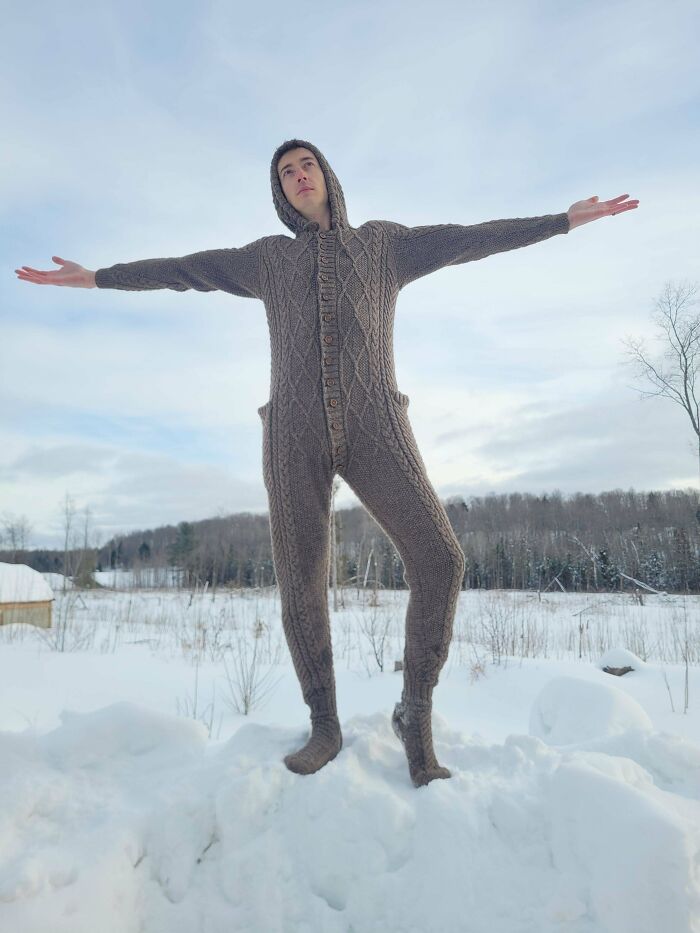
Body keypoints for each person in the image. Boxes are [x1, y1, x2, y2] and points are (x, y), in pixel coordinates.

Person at [15, 139, 638, 787]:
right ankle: (325, 723)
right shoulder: (266, 261)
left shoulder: (384, 245)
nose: (297, 175)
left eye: (305, 164)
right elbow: (184, 268)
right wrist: (97, 276)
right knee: (301, 577)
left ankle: (415, 717)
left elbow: (468, 238)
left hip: (377, 427)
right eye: (285, 172)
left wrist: (560, 221)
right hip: (292, 435)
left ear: (328, 176)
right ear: (279, 192)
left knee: (441, 557)